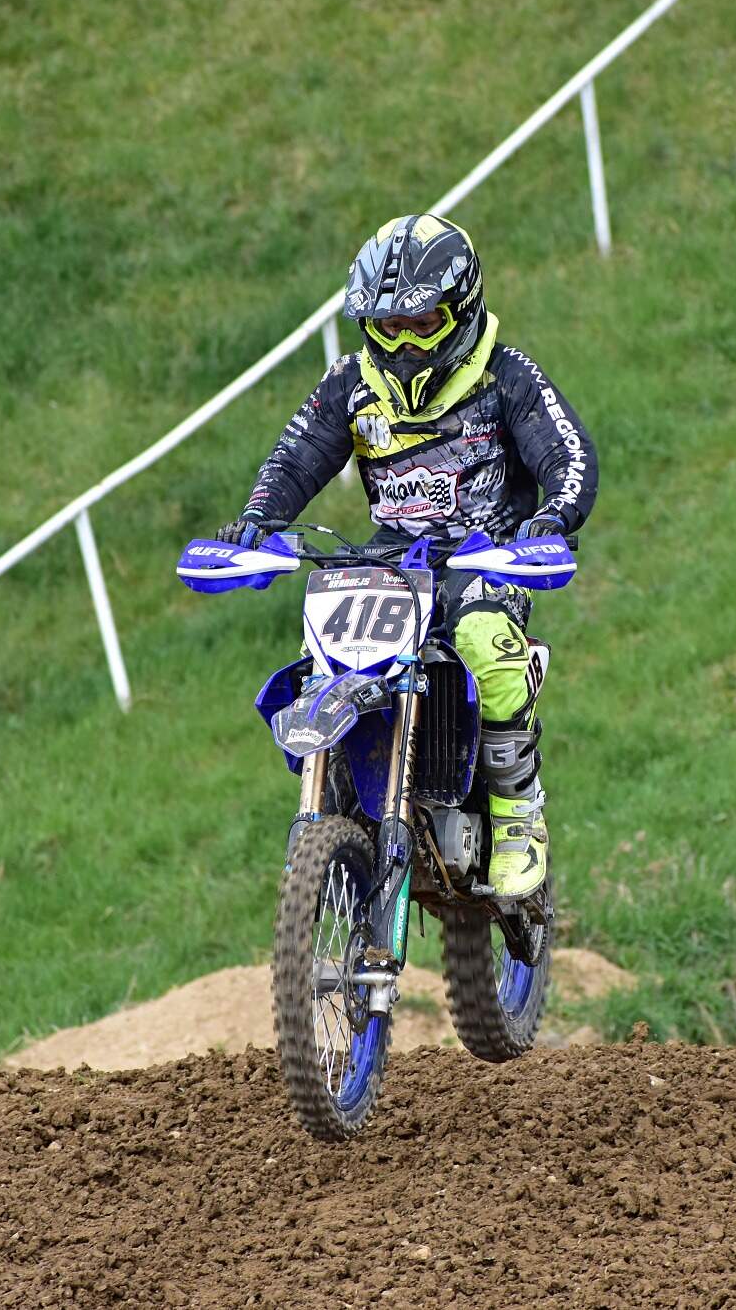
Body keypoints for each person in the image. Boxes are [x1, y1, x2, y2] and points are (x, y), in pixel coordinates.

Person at [216, 214, 598, 901]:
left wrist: (549, 521)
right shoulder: (351, 384)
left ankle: (517, 809)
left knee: (481, 638)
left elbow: (567, 454)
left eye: (422, 324)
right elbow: (296, 457)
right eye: (388, 326)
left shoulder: (506, 377)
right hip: (391, 560)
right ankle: (337, 807)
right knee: (322, 648)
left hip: (487, 557)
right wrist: (258, 520)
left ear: (461, 310)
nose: (404, 343)